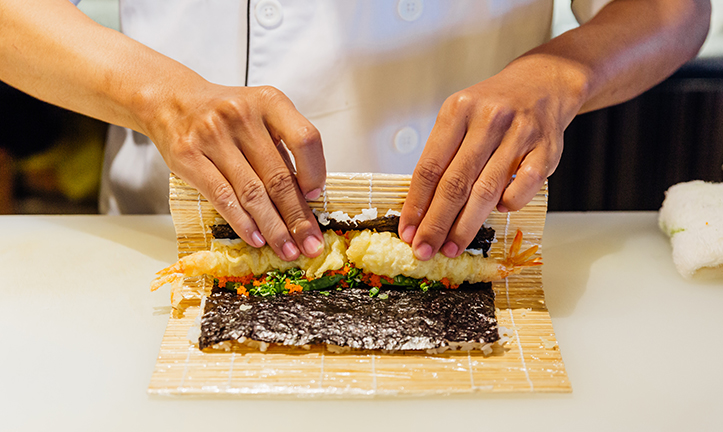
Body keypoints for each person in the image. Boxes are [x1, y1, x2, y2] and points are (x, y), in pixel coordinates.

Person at [0, 0, 711, 261]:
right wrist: (157, 95)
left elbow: (670, 9)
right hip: (161, 237)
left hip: (461, 241)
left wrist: (560, 74)